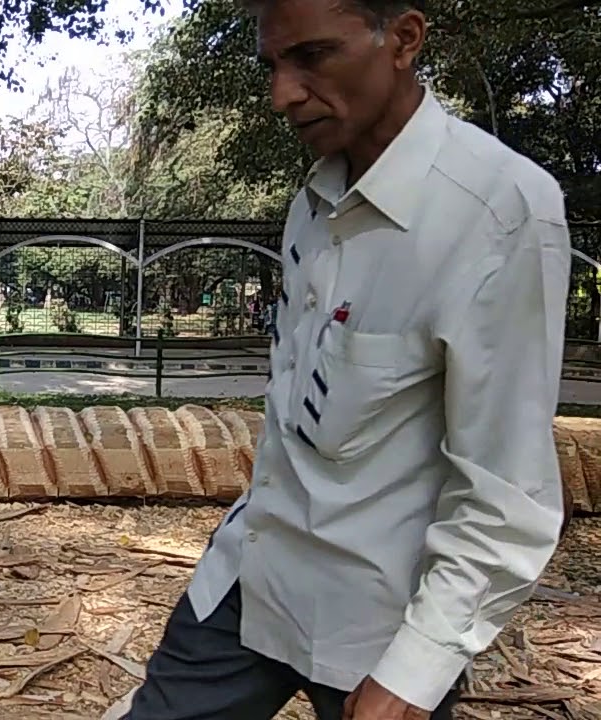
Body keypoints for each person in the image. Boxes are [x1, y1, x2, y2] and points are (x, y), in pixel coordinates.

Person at [123, 2, 570, 720]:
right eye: (272, 65)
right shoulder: (316, 198)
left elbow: (506, 488)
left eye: (313, 57)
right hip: (252, 573)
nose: (283, 95)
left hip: (377, 619)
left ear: (403, 39)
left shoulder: (499, 213)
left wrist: (416, 671)